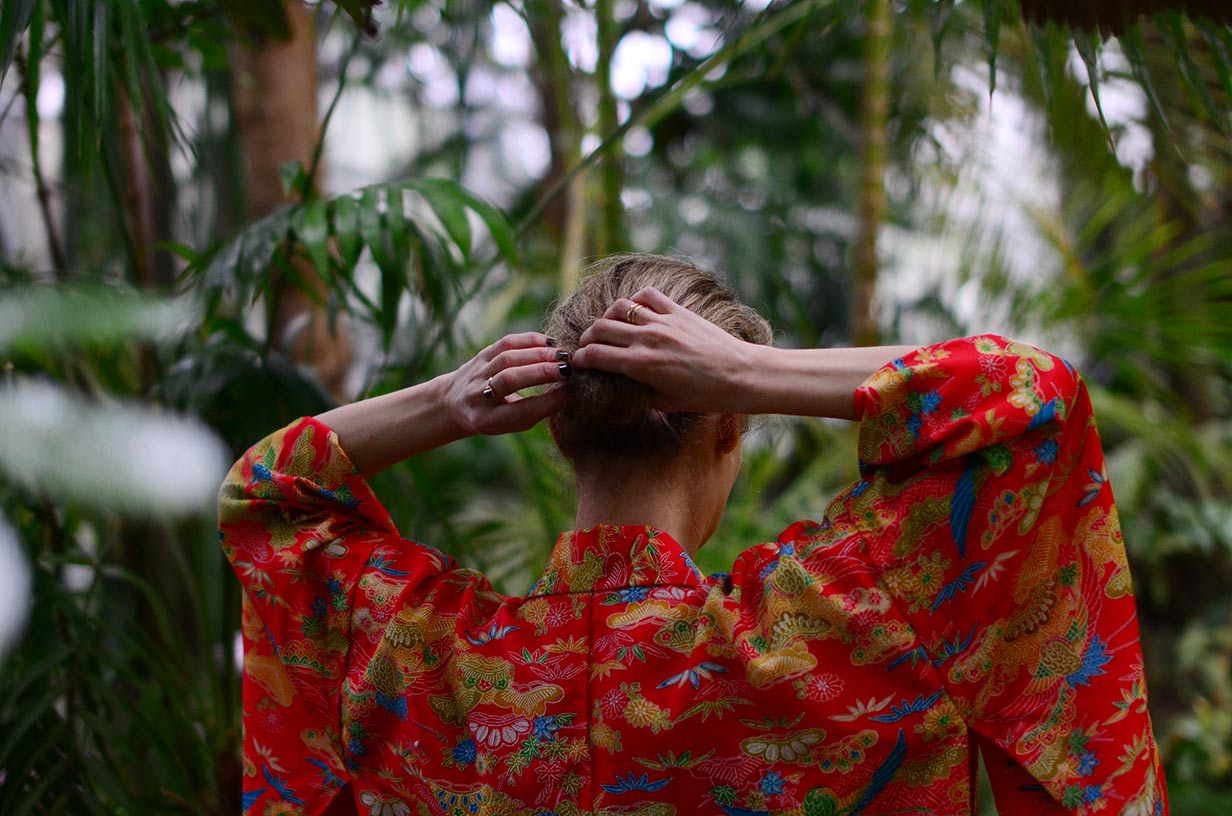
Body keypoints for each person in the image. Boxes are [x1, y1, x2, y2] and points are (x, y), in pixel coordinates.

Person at [220, 254, 1167, 816]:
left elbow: (267, 493)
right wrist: (756, 369)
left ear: (552, 426)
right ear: (728, 429)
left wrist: (445, 403)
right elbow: (1031, 396)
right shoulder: (852, 622)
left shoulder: (426, 662)